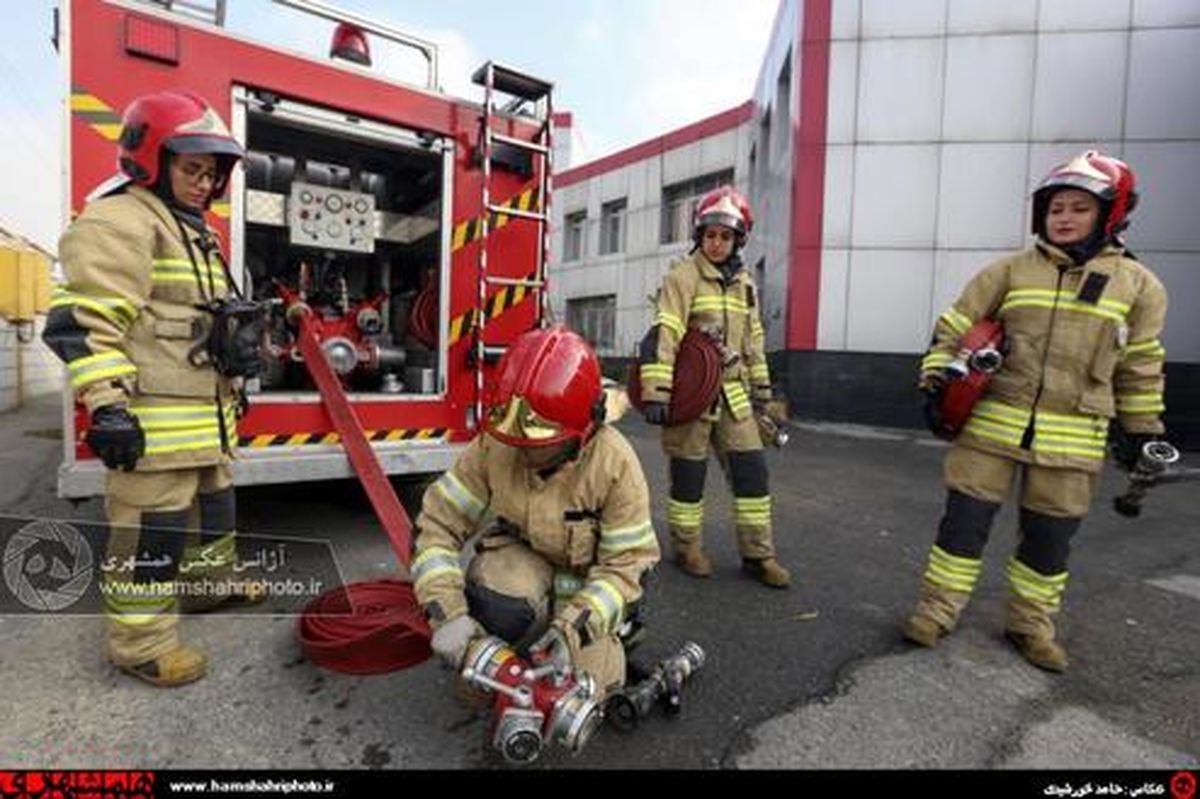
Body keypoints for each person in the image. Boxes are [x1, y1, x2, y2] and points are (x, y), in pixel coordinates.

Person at [903, 151, 1168, 672]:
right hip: (990, 428)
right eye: (1056, 208)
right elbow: (954, 329)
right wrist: (935, 386)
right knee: (962, 529)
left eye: (1079, 209)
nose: (1064, 218)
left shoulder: (1140, 287)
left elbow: (1139, 366)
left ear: (1111, 214)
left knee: (1049, 543)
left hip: (1073, 441)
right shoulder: (1008, 271)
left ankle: (1029, 626)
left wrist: (1141, 431)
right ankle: (936, 612)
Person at [43, 91, 253, 686]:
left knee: (218, 507)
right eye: (192, 168)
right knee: (150, 535)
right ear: (151, 160)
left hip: (205, 419)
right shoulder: (121, 219)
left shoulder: (195, 231)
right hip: (153, 424)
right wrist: (107, 407)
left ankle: (210, 588)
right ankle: (139, 645)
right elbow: (81, 324)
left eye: (211, 173)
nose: (203, 182)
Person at [412, 325, 660, 699]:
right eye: (514, 438)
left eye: (536, 442)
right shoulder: (497, 444)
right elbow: (437, 525)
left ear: (582, 431)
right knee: (490, 616)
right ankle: (513, 626)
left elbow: (627, 566)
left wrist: (573, 630)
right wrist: (447, 613)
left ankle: (615, 636)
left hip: (588, 577)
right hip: (524, 556)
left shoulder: (615, 463)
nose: (521, 450)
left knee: (588, 693)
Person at [638, 186, 790, 588]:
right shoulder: (683, 276)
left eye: (725, 236)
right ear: (699, 237)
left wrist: (763, 396)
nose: (717, 243)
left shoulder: (744, 285)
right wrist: (656, 391)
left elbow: (753, 342)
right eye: (710, 235)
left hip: (735, 396)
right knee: (689, 477)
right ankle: (687, 548)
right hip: (691, 397)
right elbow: (665, 332)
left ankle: (759, 556)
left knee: (752, 475)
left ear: (738, 239)